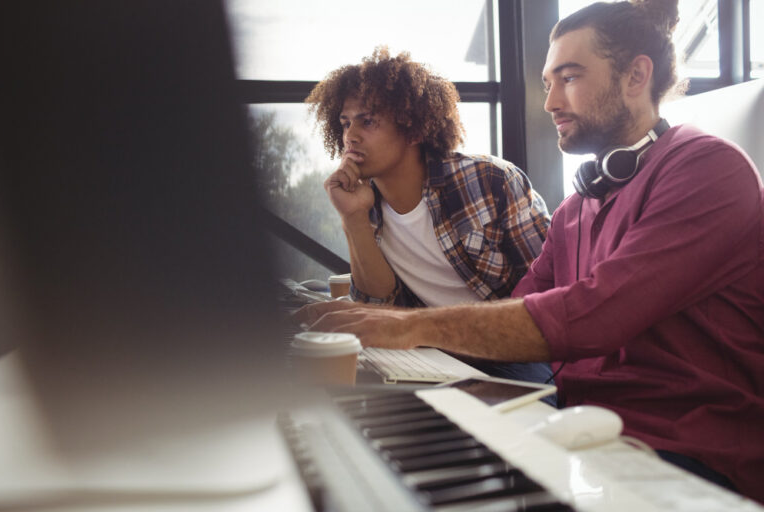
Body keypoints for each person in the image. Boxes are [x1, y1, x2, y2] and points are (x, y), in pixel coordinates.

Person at [298, 0, 764, 502]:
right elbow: (519, 312)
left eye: (570, 77)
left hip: (692, 457)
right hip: (581, 434)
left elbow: (595, 315)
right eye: (547, 83)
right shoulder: (576, 209)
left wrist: (407, 326)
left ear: (636, 76)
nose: (550, 102)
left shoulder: (708, 169)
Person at [305, 47, 554, 385]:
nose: (350, 135)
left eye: (368, 121)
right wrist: (353, 218)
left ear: (414, 129)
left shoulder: (490, 180)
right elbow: (377, 305)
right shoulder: (363, 201)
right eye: (346, 123)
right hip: (427, 352)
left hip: (510, 352)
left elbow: (550, 291)